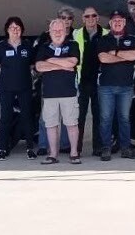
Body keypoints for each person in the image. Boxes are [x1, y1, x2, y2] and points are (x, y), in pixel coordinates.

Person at [94, 12, 135, 161]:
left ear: (124, 22)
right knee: (106, 118)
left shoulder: (132, 39)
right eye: (114, 21)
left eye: (120, 21)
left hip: (126, 87)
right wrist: (123, 56)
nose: (117, 23)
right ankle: (106, 148)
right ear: (110, 23)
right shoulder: (103, 39)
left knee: (124, 118)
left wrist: (113, 53)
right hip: (106, 86)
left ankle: (126, 148)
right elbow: (103, 58)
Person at [35, 18, 83, 164]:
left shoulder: (73, 44)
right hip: (50, 94)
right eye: (54, 30)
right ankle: (53, 155)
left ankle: (74, 153)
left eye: (60, 30)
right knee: (51, 125)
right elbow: (39, 66)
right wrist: (62, 64)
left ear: (65, 30)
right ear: (49, 32)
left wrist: (50, 60)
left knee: (72, 124)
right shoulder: (43, 47)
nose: (57, 32)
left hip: (69, 92)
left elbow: (73, 62)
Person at [0, 17, 37, 160]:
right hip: (6, 88)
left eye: (18, 28)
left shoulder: (27, 46)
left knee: (26, 117)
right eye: (12, 27)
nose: (15, 30)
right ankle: (1, 148)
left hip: (24, 87)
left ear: (22, 30)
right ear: (7, 30)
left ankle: (30, 148)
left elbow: (31, 65)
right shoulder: (1, 46)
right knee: (6, 118)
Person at [72, 6, 106, 158]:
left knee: (99, 116)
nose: (90, 19)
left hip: (100, 81)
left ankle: (98, 147)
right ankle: (76, 148)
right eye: (87, 16)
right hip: (82, 81)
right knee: (79, 117)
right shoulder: (76, 33)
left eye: (93, 16)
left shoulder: (106, 34)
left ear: (98, 18)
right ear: (83, 19)